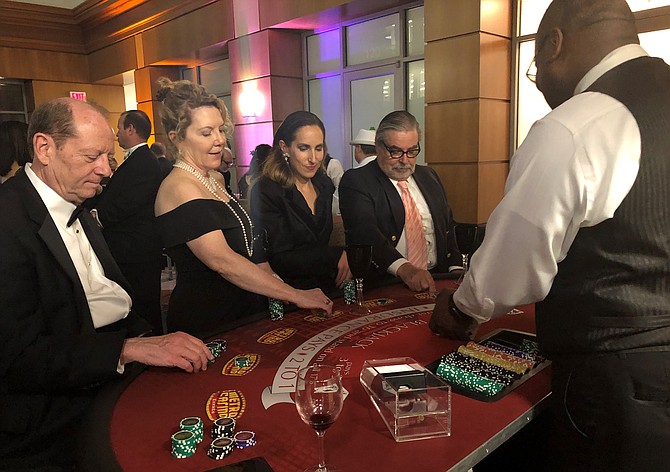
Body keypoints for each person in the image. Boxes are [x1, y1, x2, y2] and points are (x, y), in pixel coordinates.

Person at [430, 1, 670, 470]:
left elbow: (508, 271)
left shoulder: (575, 126)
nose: (538, 83)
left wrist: (460, 309)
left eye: (535, 67)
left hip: (617, 385)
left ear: (553, 44)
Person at [0, 97, 212, 470]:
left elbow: (114, 302)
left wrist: (152, 346)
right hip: (54, 419)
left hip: (114, 378)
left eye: (108, 156)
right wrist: (128, 350)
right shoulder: (7, 220)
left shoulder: (78, 203)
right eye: (91, 157)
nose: (106, 169)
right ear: (45, 148)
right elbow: (20, 359)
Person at [154, 78, 332, 339]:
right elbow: (223, 261)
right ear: (176, 138)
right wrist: (295, 295)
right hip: (209, 316)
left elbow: (247, 249)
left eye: (219, 130)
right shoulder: (179, 187)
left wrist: (276, 284)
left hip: (243, 308)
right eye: (206, 133)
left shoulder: (213, 179)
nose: (219, 141)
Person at [339, 110, 461, 293]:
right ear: (378, 147)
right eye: (395, 151)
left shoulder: (429, 176)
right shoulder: (357, 181)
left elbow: (448, 226)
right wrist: (406, 269)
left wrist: (456, 269)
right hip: (387, 283)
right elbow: (365, 233)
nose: (405, 160)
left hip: (437, 278)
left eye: (412, 151)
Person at [250, 111, 352, 292]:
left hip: (327, 284)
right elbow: (279, 259)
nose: (313, 158)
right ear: (284, 147)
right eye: (304, 148)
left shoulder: (324, 183)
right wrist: (335, 255)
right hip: (287, 291)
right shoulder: (267, 189)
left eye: (319, 148)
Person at [90, 109, 164, 334]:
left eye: (120, 128)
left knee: (143, 305)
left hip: (137, 249)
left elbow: (131, 201)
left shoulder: (145, 161)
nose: (117, 134)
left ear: (131, 129)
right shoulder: (136, 160)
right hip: (130, 248)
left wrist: (99, 217)